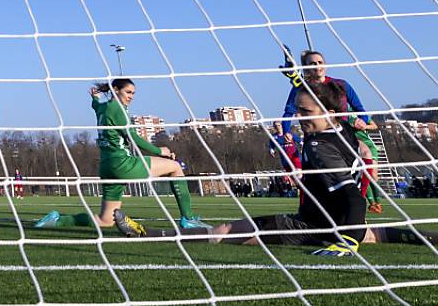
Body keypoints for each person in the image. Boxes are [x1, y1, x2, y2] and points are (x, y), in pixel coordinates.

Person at [118, 81, 437, 254]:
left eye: (304, 111)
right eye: (297, 110)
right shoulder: (344, 130)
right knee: (396, 235)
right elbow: (363, 149)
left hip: (312, 228)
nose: (298, 116)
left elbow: (352, 196)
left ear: (326, 110)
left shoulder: (317, 145)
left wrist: (349, 240)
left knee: (225, 232)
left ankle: (148, 233)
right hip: (342, 223)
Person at [35, 79, 210, 233]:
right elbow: (132, 137)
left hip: (106, 166)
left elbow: (96, 106)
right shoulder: (117, 109)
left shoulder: (104, 108)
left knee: (105, 221)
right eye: (128, 92)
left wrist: (95, 98)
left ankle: (58, 219)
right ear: (116, 90)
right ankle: (188, 219)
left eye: (133, 93)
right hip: (122, 163)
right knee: (175, 167)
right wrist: (160, 151)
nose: (131, 96)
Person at [280, 49, 382, 211]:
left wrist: (362, 121)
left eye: (320, 63)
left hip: (344, 135)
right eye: (312, 64)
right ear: (305, 68)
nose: (317, 66)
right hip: (316, 138)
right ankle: (305, 212)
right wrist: (286, 131)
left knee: (366, 155)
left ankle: (361, 202)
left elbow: (361, 110)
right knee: (311, 179)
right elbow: (288, 113)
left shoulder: (341, 85)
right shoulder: (303, 88)